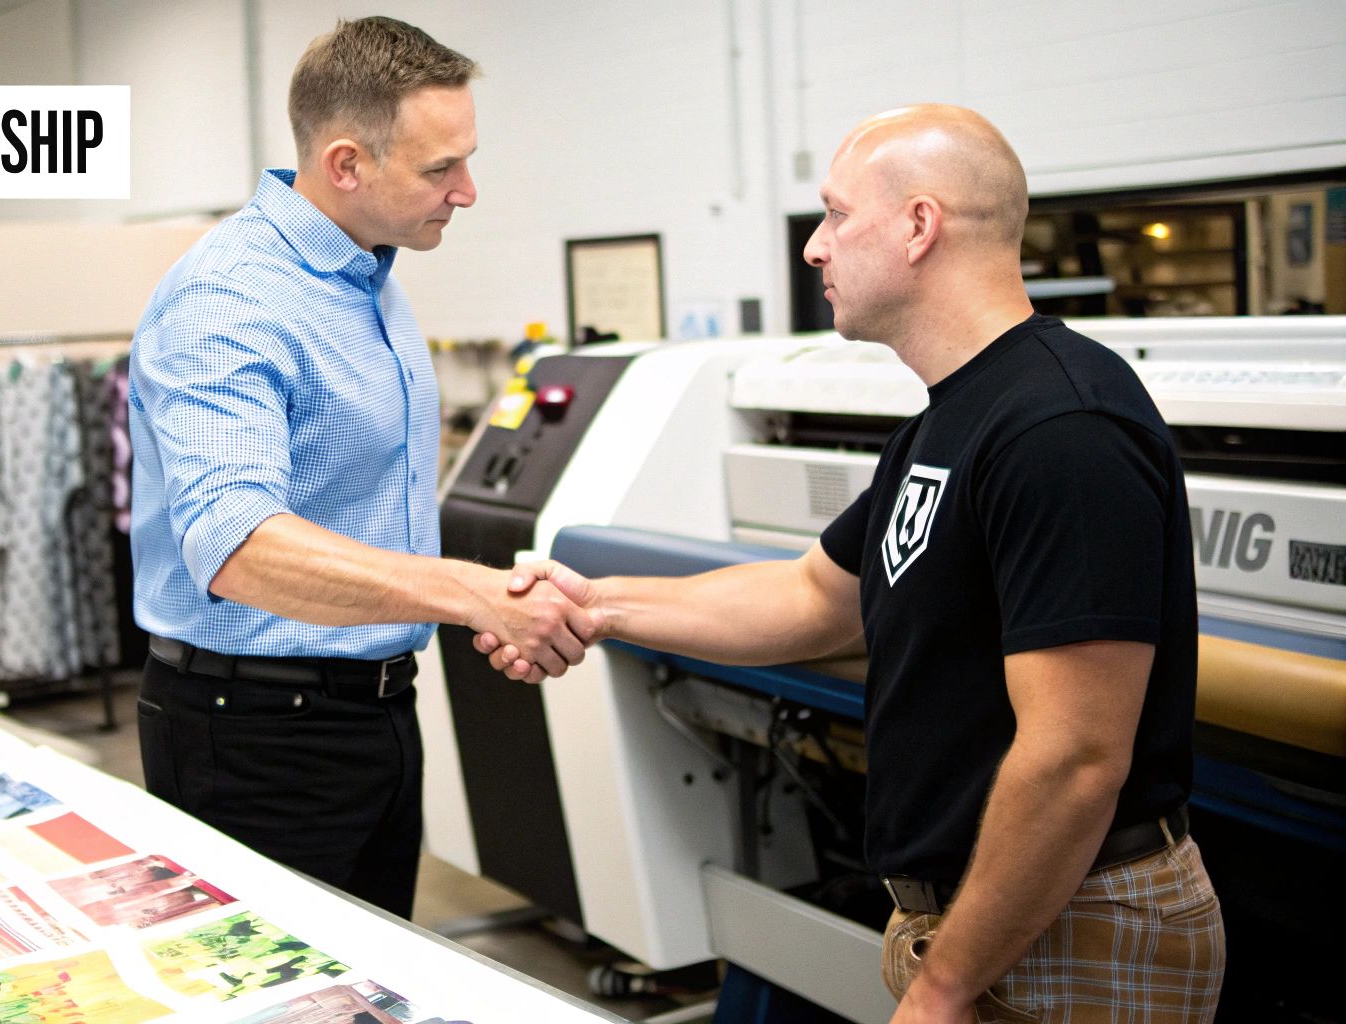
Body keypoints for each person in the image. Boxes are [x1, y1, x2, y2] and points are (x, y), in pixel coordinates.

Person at [478, 105, 1223, 1021]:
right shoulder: (950, 419)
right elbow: (810, 598)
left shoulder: (1060, 428)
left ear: (920, 226)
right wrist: (591, 602)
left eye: (835, 216)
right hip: (989, 916)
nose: (814, 249)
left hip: (1072, 926)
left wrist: (947, 985)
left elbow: (1074, 757)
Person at [127, 16, 594, 920]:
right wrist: (467, 593)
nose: (467, 191)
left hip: (371, 710)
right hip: (252, 735)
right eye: (438, 169)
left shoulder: (365, 274)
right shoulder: (230, 298)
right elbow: (235, 545)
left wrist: (475, 598)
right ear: (346, 165)